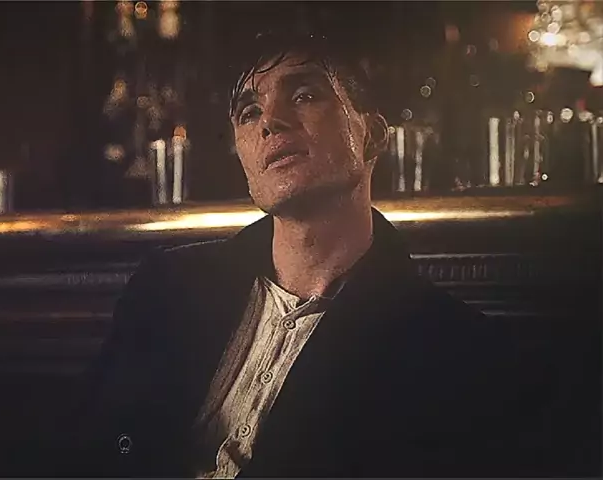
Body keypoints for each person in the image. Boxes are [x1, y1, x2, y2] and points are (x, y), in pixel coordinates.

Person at [58, 12, 581, 479]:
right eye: (248, 112)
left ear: (372, 136)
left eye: (304, 95)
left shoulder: (454, 349)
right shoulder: (167, 287)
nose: (270, 121)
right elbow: (85, 451)